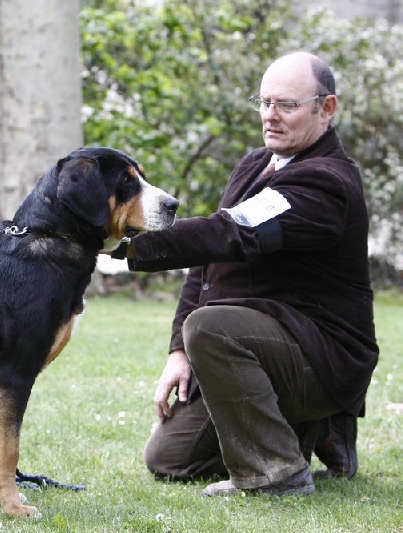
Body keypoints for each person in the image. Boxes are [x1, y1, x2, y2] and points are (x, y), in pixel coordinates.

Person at [121, 51, 378, 496]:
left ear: (326, 108)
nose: (270, 116)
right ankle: (311, 431)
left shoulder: (327, 182)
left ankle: (277, 474)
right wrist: (179, 349)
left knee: (211, 327)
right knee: (169, 460)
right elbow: (207, 262)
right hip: (265, 349)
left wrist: (128, 240)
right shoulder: (255, 163)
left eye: (287, 105)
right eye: (264, 102)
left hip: (320, 353)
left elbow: (234, 234)